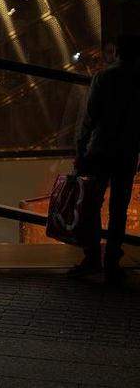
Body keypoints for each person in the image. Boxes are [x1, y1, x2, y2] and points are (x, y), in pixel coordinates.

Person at [72, 34, 140, 284]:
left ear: (117, 53)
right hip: (127, 152)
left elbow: (89, 118)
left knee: (91, 204)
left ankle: (91, 257)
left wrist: (80, 150)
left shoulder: (104, 77)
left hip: (99, 150)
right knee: (119, 209)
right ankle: (112, 261)